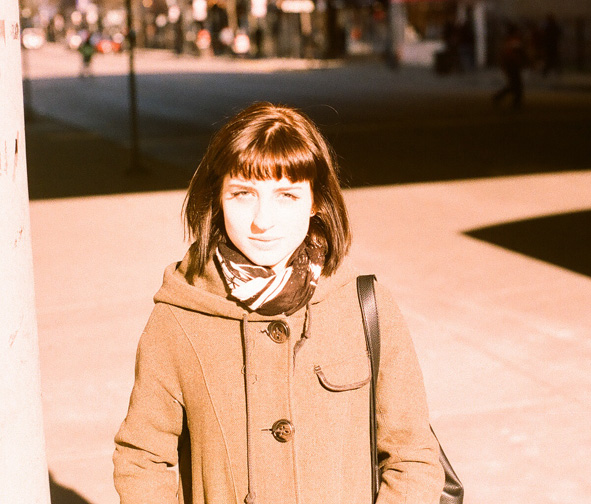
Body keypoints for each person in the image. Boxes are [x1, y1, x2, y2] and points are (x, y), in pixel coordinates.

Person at [112, 102, 445, 504]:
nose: (263, 220)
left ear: (316, 201)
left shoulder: (364, 307)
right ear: (218, 198)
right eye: (242, 194)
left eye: (286, 195)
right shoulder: (179, 316)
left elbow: (413, 457)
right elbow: (142, 459)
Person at [492, 22, 527, 110]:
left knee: (514, 84)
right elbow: (519, 52)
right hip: (511, 64)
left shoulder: (509, 40)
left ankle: (501, 97)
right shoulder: (514, 40)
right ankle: (515, 101)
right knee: (516, 84)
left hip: (509, 64)